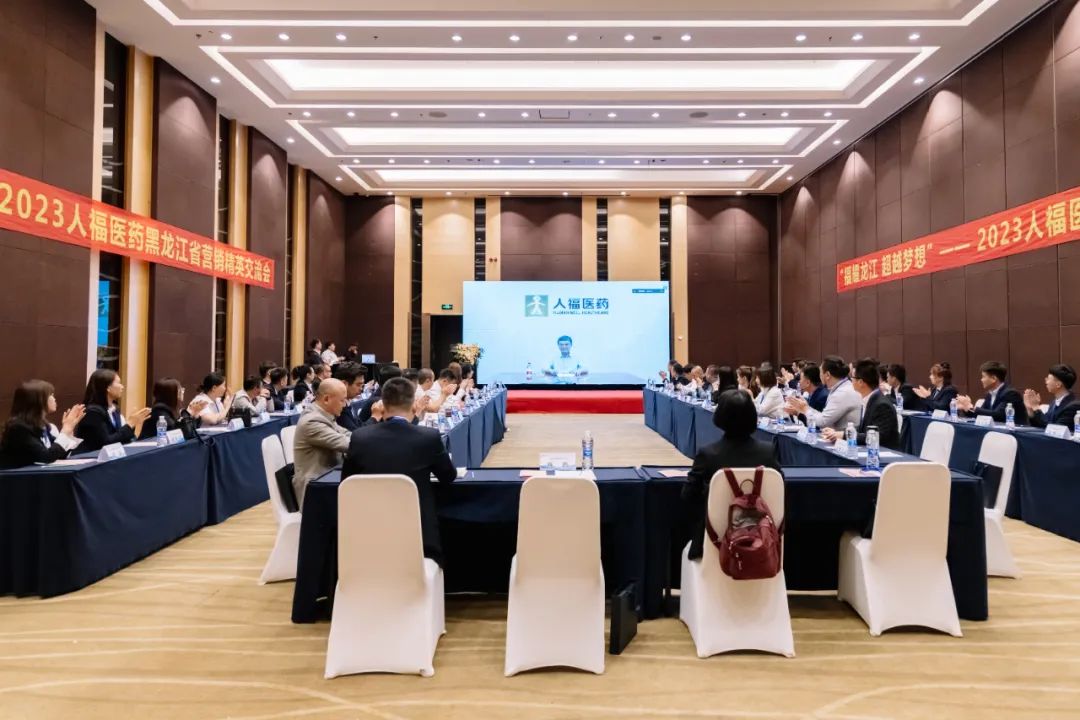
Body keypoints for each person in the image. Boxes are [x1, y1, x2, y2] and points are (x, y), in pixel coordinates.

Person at [341, 377, 457, 565]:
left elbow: (347, 481)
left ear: (382, 404)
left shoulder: (360, 437)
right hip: (419, 534)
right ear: (413, 404)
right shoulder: (428, 437)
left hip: (369, 530)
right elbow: (448, 476)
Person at [682, 389, 783, 561]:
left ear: (720, 417)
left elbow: (688, 495)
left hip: (714, 540)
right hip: (762, 537)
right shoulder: (768, 452)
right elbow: (780, 491)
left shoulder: (708, 454)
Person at [292, 378, 352, 507]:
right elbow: (346, 444)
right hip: (314, 490)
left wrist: (368, 438)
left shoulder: (324, 416)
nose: (344, 405)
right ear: (326, 399)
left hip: (328, 480)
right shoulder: (312, 421)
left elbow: (347, 434)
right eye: (342, 400)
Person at [0, 380, 85, 469]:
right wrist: (65, 430)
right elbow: (45, 457)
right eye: (51, 395)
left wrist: (69, 431)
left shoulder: (43, 425)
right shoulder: (18, 427)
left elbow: (59, 454)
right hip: (14, 475)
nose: (54, 399)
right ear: (38, 400)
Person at [822, 357, 900, 450]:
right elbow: (862, 430)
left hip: (883, 453)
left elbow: (876, 436)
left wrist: (844, 435)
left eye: (853, 378)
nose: (851, 381)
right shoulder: (869, 399)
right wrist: (837, 432)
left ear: (861, 382)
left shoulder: (882, 405)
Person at [75, 369, 151, 453]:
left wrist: (135, 423)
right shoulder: (92, 412)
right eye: (119, 383)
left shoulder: (115, 409)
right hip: (91, 457)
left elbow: (120, 437)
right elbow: (105, 443)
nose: (122, 387)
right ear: (108, 387)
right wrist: (130, 424)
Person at [784, 355, 861, 430]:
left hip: (845, 437)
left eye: (820, 372)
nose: (819, 376)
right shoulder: (840, 388)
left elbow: (822, 422)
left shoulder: (842, 392)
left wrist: (805, 409)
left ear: (827, 375)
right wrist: (805, 408)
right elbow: (823, 416)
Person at [956, 360, 1028, 425]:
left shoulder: (1011, 394)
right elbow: (981, 415)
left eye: (983, 377)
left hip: (1015, 432)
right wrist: (965, 408)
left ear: (994, 378)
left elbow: (998, 415)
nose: (981, 380)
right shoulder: (989, 395)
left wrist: (971, 407)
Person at [139, 378, 208, 440]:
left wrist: (195, 415)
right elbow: (180, 435)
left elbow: (192, 432)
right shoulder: (160, 412)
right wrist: (189, 413)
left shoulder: (173, 409)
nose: (183, 391)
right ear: (170, 394)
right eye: (180, 389)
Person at [1025, 364, 1080, 431]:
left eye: (1048, 378)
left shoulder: (1073, 406)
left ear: (1058, 384)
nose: (1046, 381)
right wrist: (1030, 411)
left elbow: (1055, 430)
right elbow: (1042, 424)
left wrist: (1036, 407)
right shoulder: (1054, 402)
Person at [331, 362, 367, 432]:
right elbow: (355, 434)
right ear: (344, 384)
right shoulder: (337, 407)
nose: (361, 389)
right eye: (358, 385)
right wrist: (375, 417)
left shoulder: (347, 401)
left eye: (362, 385)